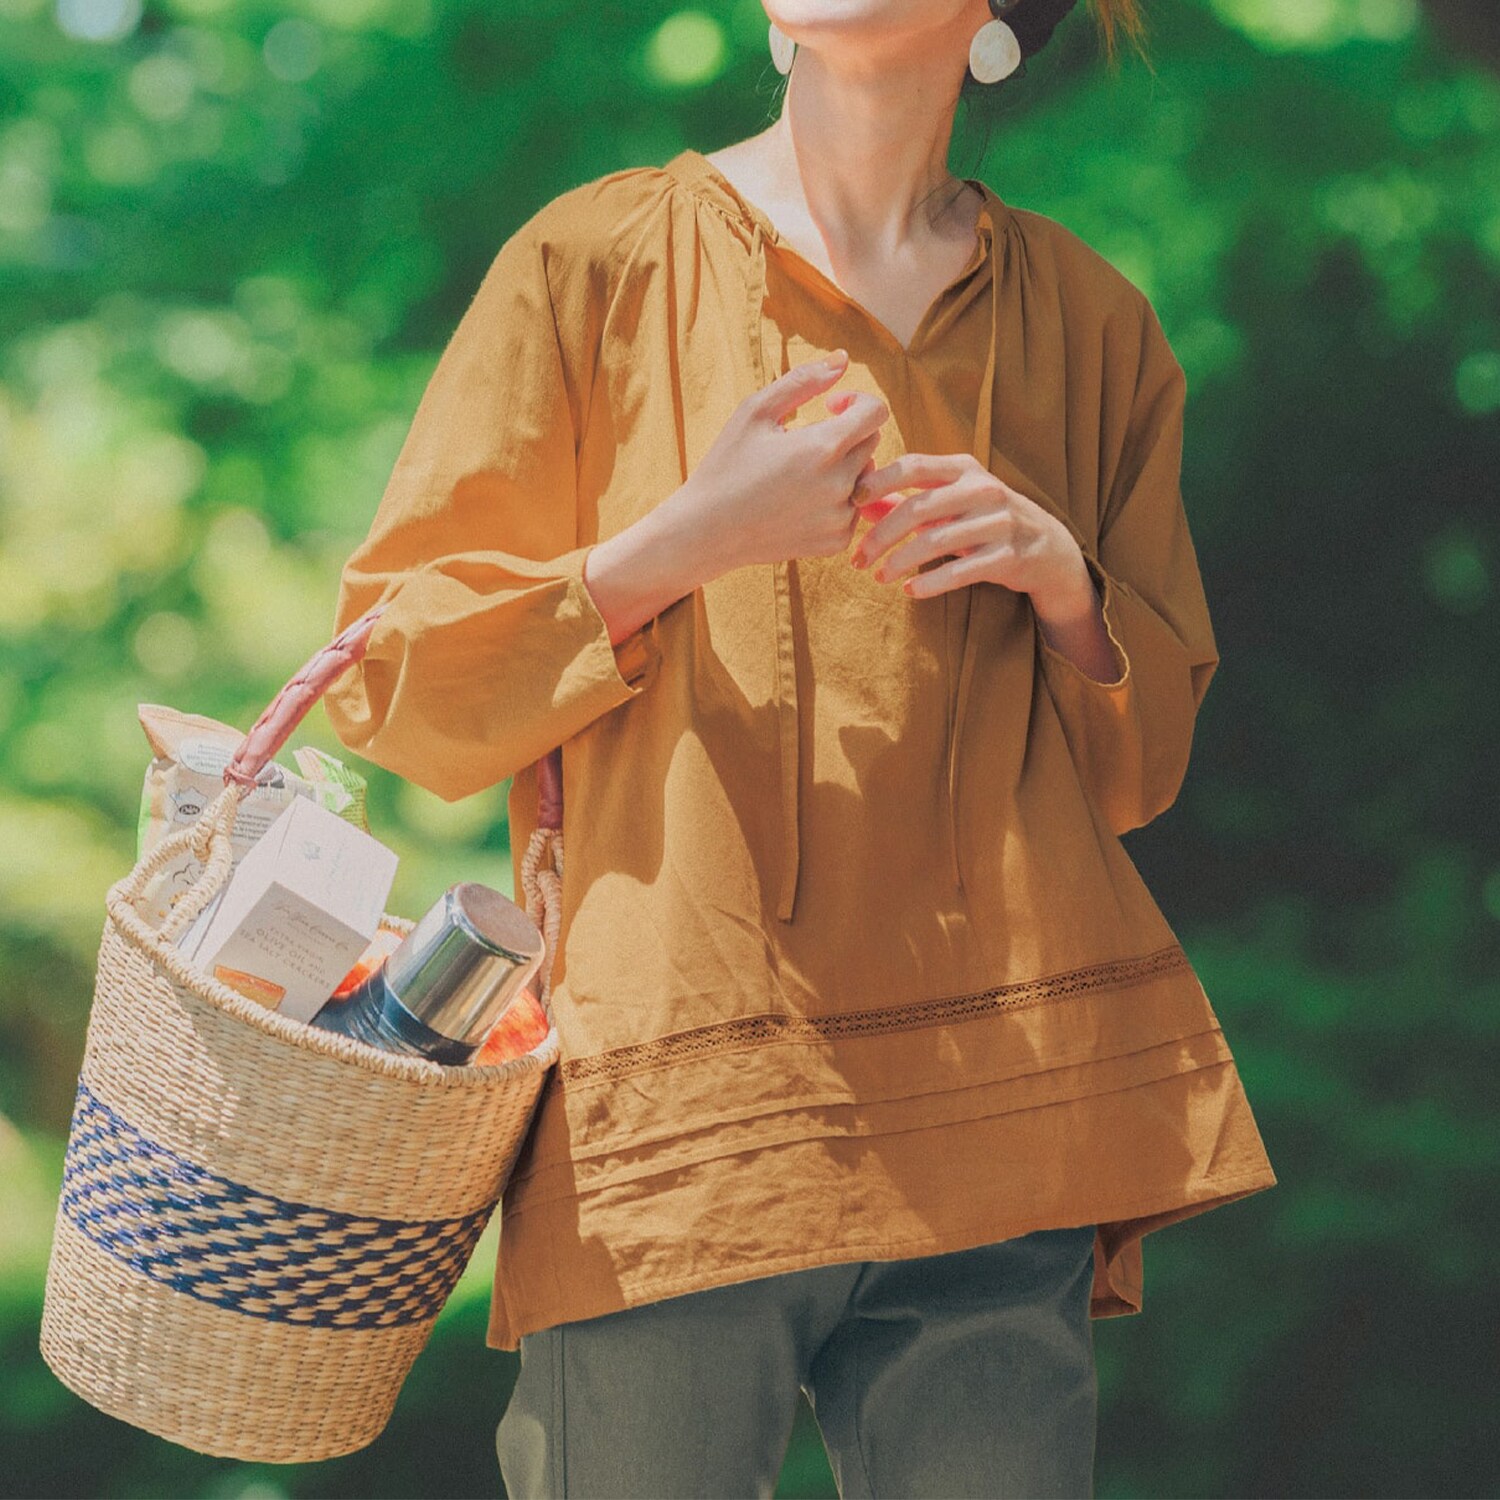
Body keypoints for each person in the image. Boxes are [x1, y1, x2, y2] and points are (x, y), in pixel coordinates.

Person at [323, 1, 1279, 1494]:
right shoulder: (594, 264)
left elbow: (1136, 768)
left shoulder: (1094, 326)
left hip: (1001, 1114)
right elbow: (400, 678)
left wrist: (1061, 577)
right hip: (681, 1129)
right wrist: (686, 541)